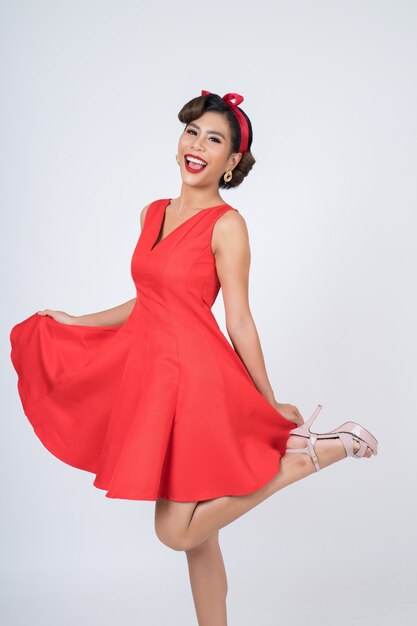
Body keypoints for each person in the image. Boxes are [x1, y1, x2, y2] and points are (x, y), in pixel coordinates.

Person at [9, 90, 378, 626]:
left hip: (194, 380)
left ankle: (311, 456)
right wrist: (77, 320)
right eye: (193, 132)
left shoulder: (228, 225)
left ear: (231, 162)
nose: (198, 145)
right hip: (154, 379)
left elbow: (239, 321)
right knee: (199, 542)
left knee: (174, 529)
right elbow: (151, 301)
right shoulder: (152, 212)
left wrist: (268, 402)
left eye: (215, 139)